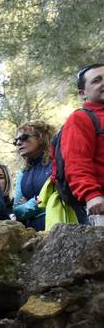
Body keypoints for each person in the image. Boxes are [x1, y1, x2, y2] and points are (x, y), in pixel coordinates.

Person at [58, 63, 104, 226]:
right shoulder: (80, 119)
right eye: (97, 80)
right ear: (83, 93)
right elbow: (76, 161)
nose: (103, 83)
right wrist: (90, 195)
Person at [10, 121, 54, 231]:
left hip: (62, 226)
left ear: (41, 138)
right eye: (16, 141)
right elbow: (17, 211)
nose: (19, 143)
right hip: (34, 235)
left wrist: (29, 203)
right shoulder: (23, 173)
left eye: (24, 137)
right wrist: (37, 202)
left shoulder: (57, 163)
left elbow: (63, 196)